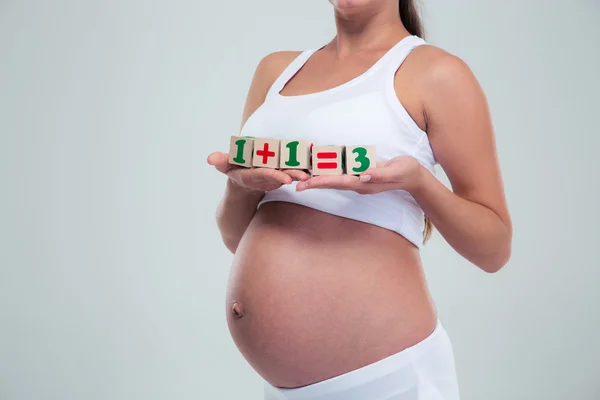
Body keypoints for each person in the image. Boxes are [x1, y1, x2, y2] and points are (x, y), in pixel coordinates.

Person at [207, 0, 512, 399]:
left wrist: (418, 182)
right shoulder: (275, 71)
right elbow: (236, 239)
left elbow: (494, 250)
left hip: (387, 380)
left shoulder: (436, 74)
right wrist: (240, 185)